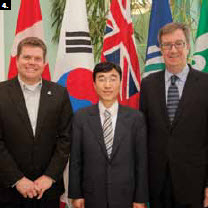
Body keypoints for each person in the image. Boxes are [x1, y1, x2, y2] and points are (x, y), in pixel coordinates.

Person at [140, 22, 208, 208]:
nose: (173, 50)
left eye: (178, 43)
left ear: (188, 47)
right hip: (157, 182)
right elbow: (143, 135)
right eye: (167, 45)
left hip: (194, 183)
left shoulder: (206, 84)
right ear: (161, 50)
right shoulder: (148, 85)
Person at [0, 37, 73, 208]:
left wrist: (49, 177)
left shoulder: (59, 94)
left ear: (44, 63)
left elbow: (66, 138)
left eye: (37, 58)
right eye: (26, 57)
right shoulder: (1, 93)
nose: (32, 62)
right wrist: (17, 179)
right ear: (17, 60)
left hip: (47, 190)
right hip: (8, 189)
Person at [68, 61, 148, 208]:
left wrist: (140, 198)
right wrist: (76, 194)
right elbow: (75, 159)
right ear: (94, 84)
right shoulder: (81, 117)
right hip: (91, 196)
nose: (107, 85)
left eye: (112, 79)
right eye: (102, 79)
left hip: (126, 196)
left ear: (120, 83)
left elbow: (141, 162)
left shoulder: (136, 118)